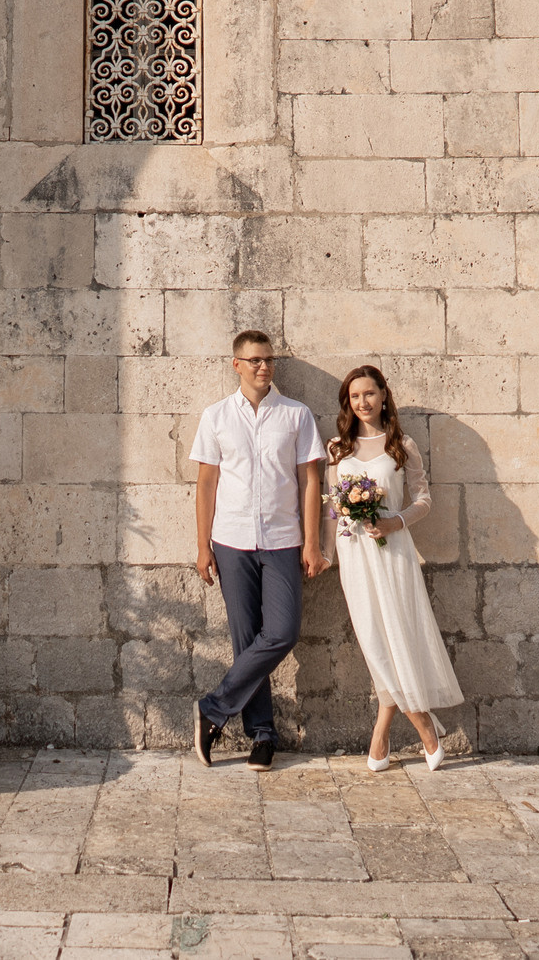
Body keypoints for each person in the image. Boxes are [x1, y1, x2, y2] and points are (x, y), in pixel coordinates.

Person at [191, 329, 328, 771]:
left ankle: (214, 708)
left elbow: (311, 481)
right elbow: (207, 484)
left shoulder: (296, 415)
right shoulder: (215, 417)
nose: (263, 366)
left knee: (282, 633)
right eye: (254, 360)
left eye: (268, 359)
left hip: (283, 540)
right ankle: (263, 735)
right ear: (237, 364)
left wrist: (313, 543)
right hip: (230, 541)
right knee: (245, 640)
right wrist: (202, 547)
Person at [325, 364, 463, 771]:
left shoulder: (402, 444)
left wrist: (393, 521)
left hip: (393, 549)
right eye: (354, 396)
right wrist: (326, 551)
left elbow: (423, 499)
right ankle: (423, 723)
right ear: (348, 403)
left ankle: (383, 733)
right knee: (372, 639)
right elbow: (333, 505)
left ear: (384, 396)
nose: (362, 402)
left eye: (369, 393)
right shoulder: (338, 447)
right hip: (355, 553)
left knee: (398, 637)